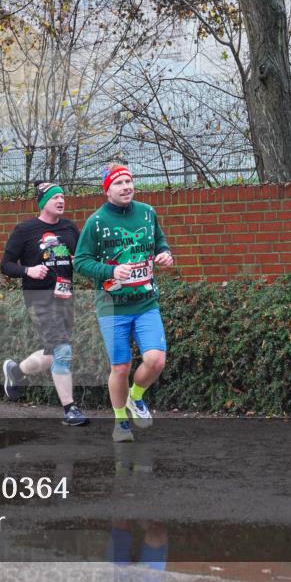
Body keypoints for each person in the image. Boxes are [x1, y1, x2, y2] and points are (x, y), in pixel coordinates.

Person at [74, 164, 173, 442]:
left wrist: (165, 255)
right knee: (121, 367)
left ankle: (136, 397)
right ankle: (120, 422)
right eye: (118, 183)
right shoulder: (97, 222)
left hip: (145, 301)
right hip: (112, 305)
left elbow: (160, 243)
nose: (126, 186)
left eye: (129, 181)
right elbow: (80, 261)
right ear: (107, 190)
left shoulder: (147, 213)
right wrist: (110, 271)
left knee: (155, 360)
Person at [0, 181, 89, 426]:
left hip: (65, 297)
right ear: (42, 203)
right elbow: (5, 266)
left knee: (53, 353)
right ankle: (70, 409)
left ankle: (16, 371)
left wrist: (76, 260)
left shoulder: (70, 228)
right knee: (63, 350)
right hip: (38, 298)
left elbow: (83, 259)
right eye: (54, 197)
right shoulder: (25, 230)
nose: (60, 201)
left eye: (62, 196)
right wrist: (28, 270)